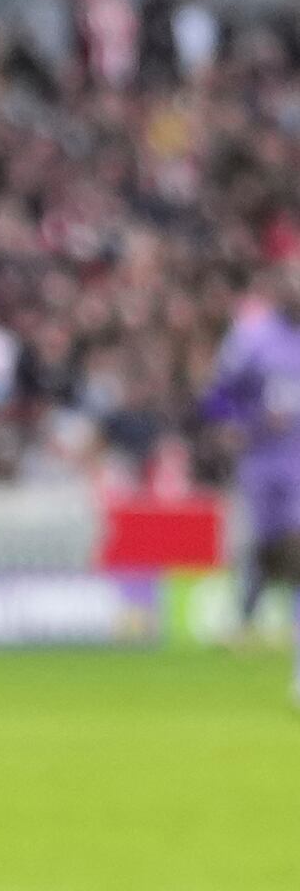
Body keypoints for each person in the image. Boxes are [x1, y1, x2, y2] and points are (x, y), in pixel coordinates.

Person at [197, 275, 300, 656]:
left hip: (297, 463)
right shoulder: (252, 339)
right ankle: (244, 618)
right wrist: (247, 422)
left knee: (295, 540)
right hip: (260, 463)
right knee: (262, 545)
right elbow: (216, 398)